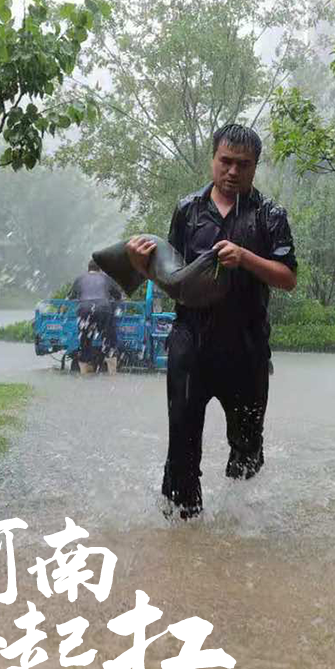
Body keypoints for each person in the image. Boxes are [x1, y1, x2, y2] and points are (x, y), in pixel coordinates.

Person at [126, 123, 297, 520]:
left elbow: (288, 278)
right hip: (191, 343)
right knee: (182, 442)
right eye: (226, 161)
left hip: (247, 346)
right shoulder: (188, 210)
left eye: (243, 164)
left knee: (247, 447)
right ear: (213, 159)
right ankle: (182, 527)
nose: (233, 171)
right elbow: (174, 278)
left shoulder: (270, 215)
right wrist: (142, 266)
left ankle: (241, 524)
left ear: (255, 167)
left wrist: (246, 257)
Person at [67, 259, 124, 374]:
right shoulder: (106, 278)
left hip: (84, 309)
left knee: (85, 341)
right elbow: (118, 296)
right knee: (108, 339)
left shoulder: (80, 279)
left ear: (88, 269)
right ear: (100, 269)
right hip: (104, 309)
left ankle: (84, 373)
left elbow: (70, 297)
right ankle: (112, 374)